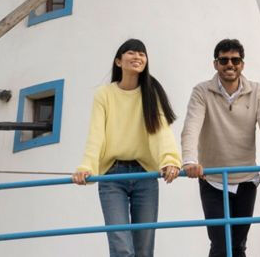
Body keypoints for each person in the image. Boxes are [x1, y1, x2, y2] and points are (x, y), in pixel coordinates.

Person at [73, 39, 182, 257]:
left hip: (145, 174)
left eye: (142, 54)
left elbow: (161, 130)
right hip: (112, 177)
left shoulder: (151, 92)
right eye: (131, 52)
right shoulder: (104, 94)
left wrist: (170, 159)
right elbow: (96, 134)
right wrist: (86, 166)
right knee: (121, 247)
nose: (137, 57)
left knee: (143, 249)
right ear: (118, 61)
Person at [181, 38, 260, 257]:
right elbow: (192, 126)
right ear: (215, 64)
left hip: (245, 178)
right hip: (213, 178)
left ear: (242, 64)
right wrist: (189, 160)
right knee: (221, 243)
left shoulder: (256, 91)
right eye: (224, 60)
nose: (230, 64)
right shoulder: (201, 91)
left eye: (235, 60)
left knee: (238, 244)